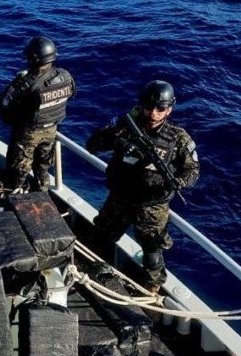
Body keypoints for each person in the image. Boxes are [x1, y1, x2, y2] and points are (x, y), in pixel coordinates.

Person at [85, 80, 199, 293]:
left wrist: (179, 182)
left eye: (160, 109)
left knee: (152, 250)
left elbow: (192, 170)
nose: (153, 113)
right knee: (100, 237)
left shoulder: (178, 138)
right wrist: (116, 138)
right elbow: (92, 145)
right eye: (148, 106)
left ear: (169, 110)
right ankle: (92, 273)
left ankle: (151, 290)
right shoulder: (124, 124)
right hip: (120, 197)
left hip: (152, 205)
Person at [0, 36, 75, 192]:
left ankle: (16, 195)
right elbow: (71, 94)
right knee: (43, 168)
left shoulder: (27, 81)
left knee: (19, 170)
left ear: (33, 58)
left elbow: (3, 103)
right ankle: (42, 193)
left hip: (28, 132)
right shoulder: (65, 76)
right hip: (51, 130)